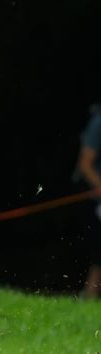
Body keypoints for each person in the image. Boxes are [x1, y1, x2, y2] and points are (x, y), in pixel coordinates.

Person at [75, 101, 101, 299]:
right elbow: (85, 165)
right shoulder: (98, 123)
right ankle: (89, 298)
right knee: (98, 258)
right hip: (97, 201)